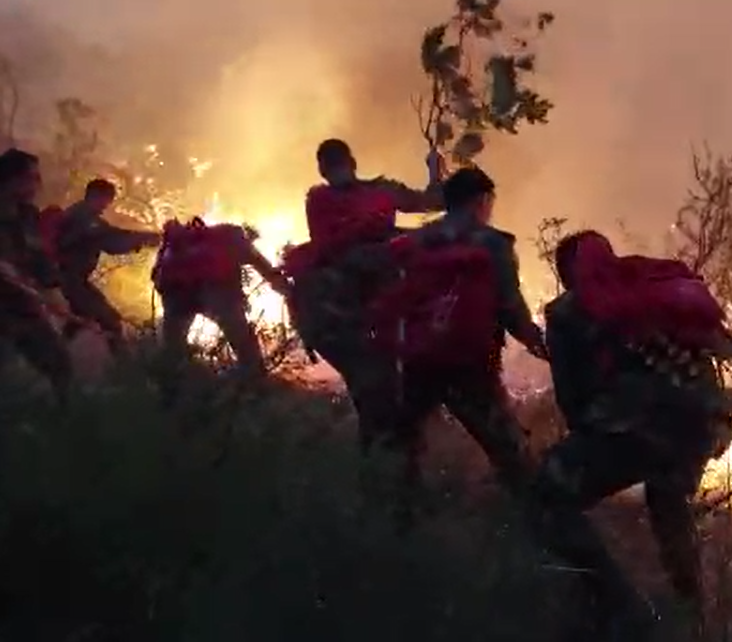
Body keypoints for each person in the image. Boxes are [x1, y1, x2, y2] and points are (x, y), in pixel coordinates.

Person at [529, 230, 732, 640]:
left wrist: (594, 446)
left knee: (546, 495)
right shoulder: (653, 288)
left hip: (636, 426)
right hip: (705, 421)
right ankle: (695, 620)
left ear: (566, 272)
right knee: (668, 504)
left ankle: (620, 607)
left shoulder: (567, 312)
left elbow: (574, 402)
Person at [363, 166, 547, 528]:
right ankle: (539, 525)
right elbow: (509, 304)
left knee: (406, 443)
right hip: (470, 362)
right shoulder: (492, 243)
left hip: (418, 358)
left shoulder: (417, 241)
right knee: (508, 449)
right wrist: (535, 341)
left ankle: (394, 521)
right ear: (482, 200)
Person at [283, 139, 447, 460]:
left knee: (378, 390)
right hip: (359, 307)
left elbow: (432, 202)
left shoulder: (355, 194)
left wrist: (434, 170)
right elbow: (432, 203)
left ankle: (387, 459)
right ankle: (387, 460)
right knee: (377, 390)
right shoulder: (338, 197)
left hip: (359, 305)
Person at [151, 216, 289, 405]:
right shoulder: (233, 238)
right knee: (244, 344)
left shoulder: (179, 245)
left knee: (172, 349)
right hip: (213, 291)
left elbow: (157, 277)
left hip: (176, 293)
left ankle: (168, 396)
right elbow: (261, 265)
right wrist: (284, 287)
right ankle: (258, 390)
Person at [0, 148, 75, 403]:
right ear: (11, 179)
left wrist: (53, 290)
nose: (37, 184)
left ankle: (67, 418)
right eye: (32, 177)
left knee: (59, 363)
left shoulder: (27, 215)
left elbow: (38, 257)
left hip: (20, 302)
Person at [55, 178, 161, 355]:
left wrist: (143, 238)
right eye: (107, 199)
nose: (107, 206)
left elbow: (112, 235)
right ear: (96, 195)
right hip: (71, 280)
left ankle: (57, 354)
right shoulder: (84, 219)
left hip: (71, 280)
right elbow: (112, 241)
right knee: (111, 321)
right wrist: (144, 239)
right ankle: (124, 366)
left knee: (78, 320)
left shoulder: (83, 216)